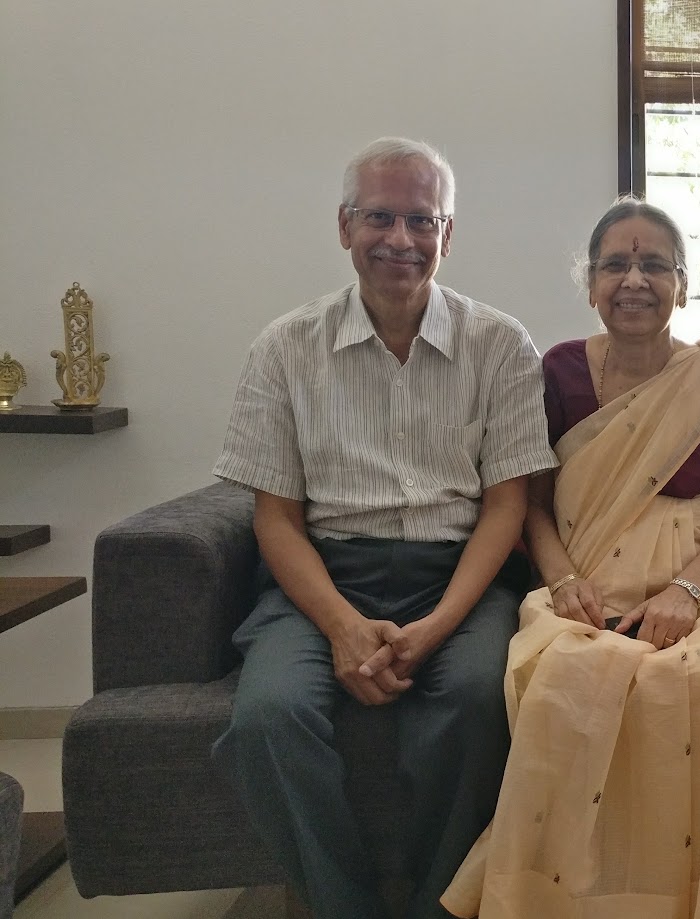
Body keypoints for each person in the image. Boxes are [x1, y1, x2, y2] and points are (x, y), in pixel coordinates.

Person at [210, 137, 555, 919]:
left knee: (480, 697)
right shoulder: (285, 347)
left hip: (456, 575)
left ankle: (439, 905)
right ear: (344, 226)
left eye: (422, 220)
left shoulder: (500, 344)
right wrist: (341, 624)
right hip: (323, 577)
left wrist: (436, 627)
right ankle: (345, 905)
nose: (401, 238)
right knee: (268, 716)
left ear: (447, 234)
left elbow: (506, 507)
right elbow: (276, 518)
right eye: (379, 217)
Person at [441, 198, 700, 919]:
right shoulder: (558, 372)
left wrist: (686, 592)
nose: (634, 280)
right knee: (565, 675)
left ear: (683, 286)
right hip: (581, 575)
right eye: (615, 264)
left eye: (654, 266)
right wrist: (562, 580)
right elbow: (533, 505)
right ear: (590, 285)